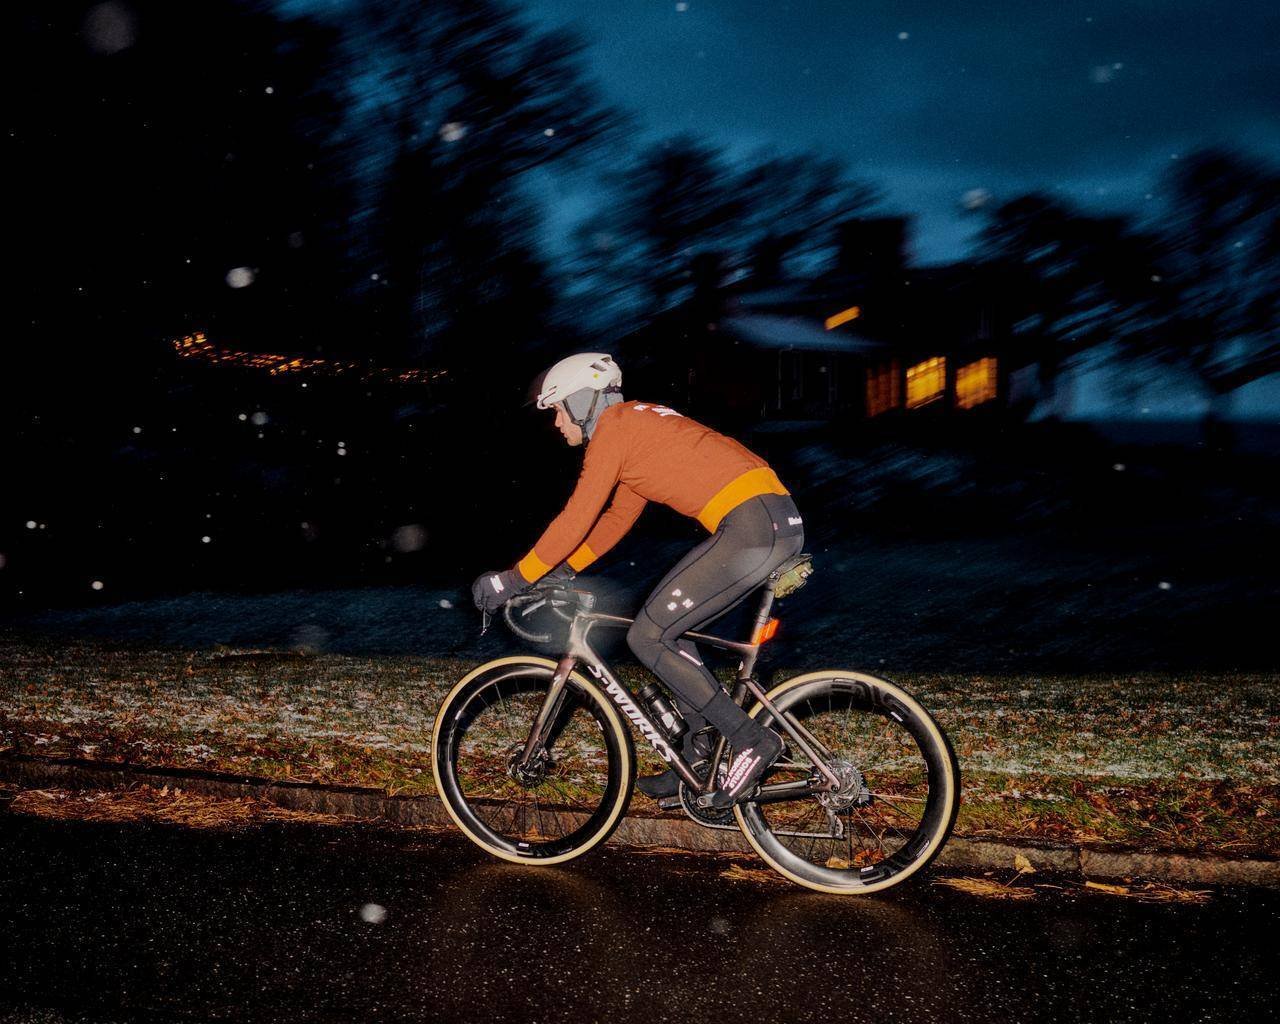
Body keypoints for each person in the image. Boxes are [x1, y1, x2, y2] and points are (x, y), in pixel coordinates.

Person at [471, 352, 804, 808]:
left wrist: (512, 580)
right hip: (770, 519)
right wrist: (563, 569)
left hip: (752, 527)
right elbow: (616, 520)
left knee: (647, 636)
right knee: (669, 630)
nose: (556, 423)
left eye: (558, 410)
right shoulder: (634, 428)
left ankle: (750, 738)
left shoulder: (614, 430)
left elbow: (576, 517)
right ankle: (698, 752)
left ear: (583, 401)